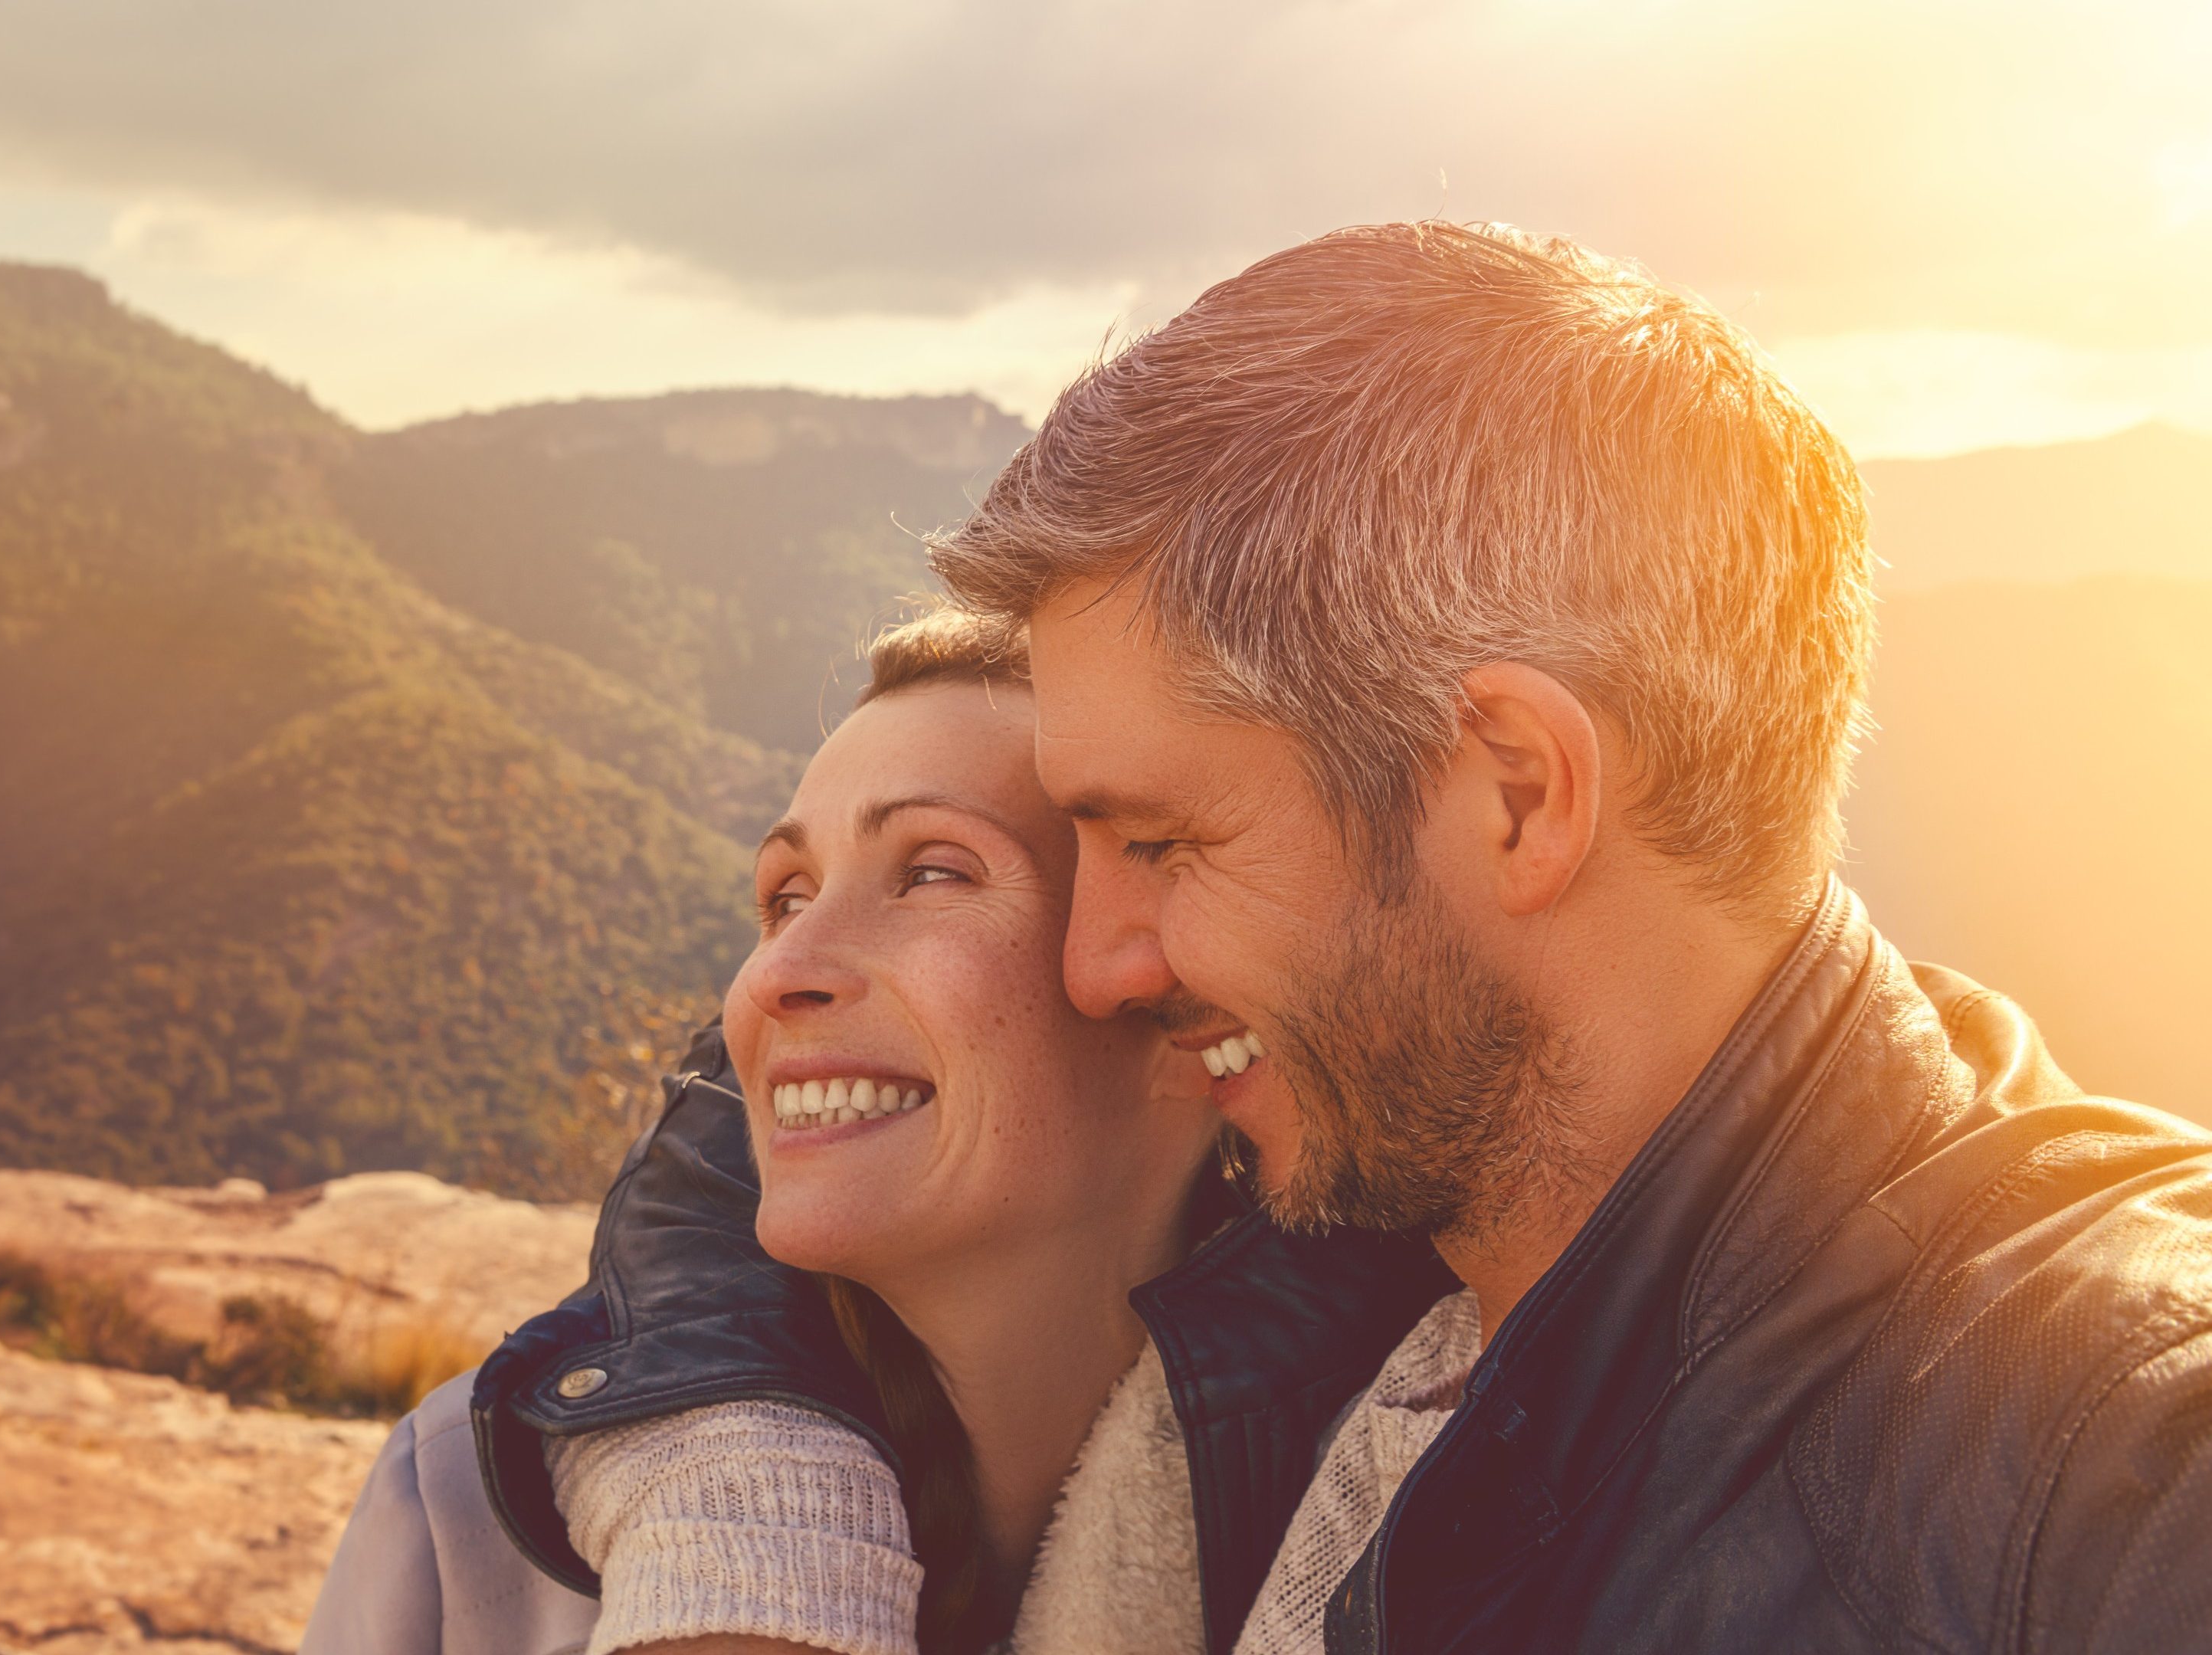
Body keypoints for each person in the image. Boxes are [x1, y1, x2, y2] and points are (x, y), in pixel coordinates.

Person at [471, 221, 2212, 1654]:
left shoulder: (2091, 1442)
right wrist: (761, 1515)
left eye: (1162, 840)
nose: (1103, 965)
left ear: (1519, 792)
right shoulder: (1416, 1249)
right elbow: (783, 1069)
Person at [311, 611, 1428, 1654]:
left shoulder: (1415, 1517)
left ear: (1178, 1003)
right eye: (786, 895)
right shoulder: (470, 1516)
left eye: (934, 871)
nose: (778, 976)